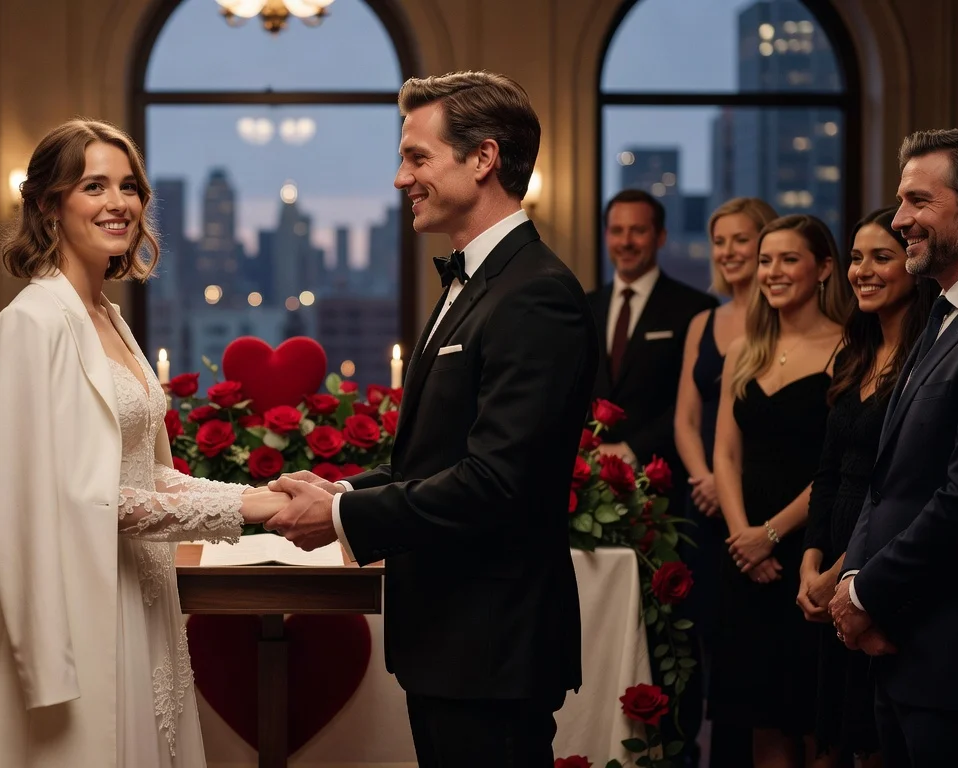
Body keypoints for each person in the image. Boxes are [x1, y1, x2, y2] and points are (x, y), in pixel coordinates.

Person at [0, 119, 288, 767]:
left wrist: (260, 493)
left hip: (142, 599)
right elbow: (64, 500)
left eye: (129, 187)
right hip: (79, 610)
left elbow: (151, 474)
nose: (119, 203)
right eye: (94, 186)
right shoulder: (29, 323)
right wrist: (253, 513)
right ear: (50, 205)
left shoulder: (108, 317)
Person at [267, 71, 598, 765]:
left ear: (483, 159)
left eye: (417, 158)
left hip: (491, 645)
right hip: (451, 640)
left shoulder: (535, 295)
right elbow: (440, 457)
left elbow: (496, 482)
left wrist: (336, 523)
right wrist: (346, 492)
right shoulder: (476, 283)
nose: (399, 178)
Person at [830, 128, 958, 764]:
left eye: (920, 201)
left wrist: (865, 593)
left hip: (952, 655)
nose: (900, 220)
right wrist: (856, 582)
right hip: (898, 646)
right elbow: (886, 477)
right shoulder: (942, 315)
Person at [711, 214, 853, 768]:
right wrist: (743, 537)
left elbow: (836, 466)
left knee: (816, 722)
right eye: (766, 259)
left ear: (822, 269)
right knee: (761, 720)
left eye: (788, 259)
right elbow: (725, 453)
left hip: (808, 552)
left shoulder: (848, 348)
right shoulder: (744, 351)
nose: (772, 271)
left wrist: (771, 536)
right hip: (743, 555)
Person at [799, 207, 934, 766]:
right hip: (830, 557)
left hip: (877, 565)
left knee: (876, 743)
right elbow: (828, 471)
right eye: (856, 258)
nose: (863, 270)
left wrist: (838, 576)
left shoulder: (925, 358)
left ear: (913, 264)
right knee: (831, 741)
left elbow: (905, 485)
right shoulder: (854, 354)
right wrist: (811, 561)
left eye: (882, 256)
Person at [673, 196, 777, 768]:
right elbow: (686, 419)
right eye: (720, 241)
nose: (729, 251)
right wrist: (704, 477)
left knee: (755, 651)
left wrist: (730, 483)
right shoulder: (703, 323)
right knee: (704, 642)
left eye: (742, 239)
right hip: (705, 504)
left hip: (762, 503)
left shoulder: (785, 314)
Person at [589, 189, 716, 478]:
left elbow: (696, 402)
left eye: (638, 231)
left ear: (660, 237)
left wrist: (633, 449)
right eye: (617, 231)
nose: (626, 242)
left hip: (664, 476)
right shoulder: (584, 307)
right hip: (590, 478)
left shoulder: (695, 309)